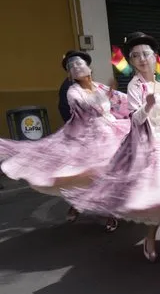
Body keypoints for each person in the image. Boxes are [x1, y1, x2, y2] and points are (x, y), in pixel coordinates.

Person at [65, 32, 160, 262]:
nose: (142, 59)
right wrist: (147, 107)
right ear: (132, 62)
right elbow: (135, 120)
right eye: (136, 56)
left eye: (146, 54)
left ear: (155, 57)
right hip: (153, 146)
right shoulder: (135, 86)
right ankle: (151, 237)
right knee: (159, 201)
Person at [0, 51, 126, 231]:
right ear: (69, 74)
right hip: (87, 137)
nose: (76, 67)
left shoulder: (100, 87)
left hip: (112, 132)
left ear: (89, 68)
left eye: (79, 63)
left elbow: (123, 100)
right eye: (71, 66)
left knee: (111, 172)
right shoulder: (72, 91)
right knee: (85, 175)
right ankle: (85, 207)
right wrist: (108, 93)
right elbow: (83, 107)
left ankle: (108, 210)